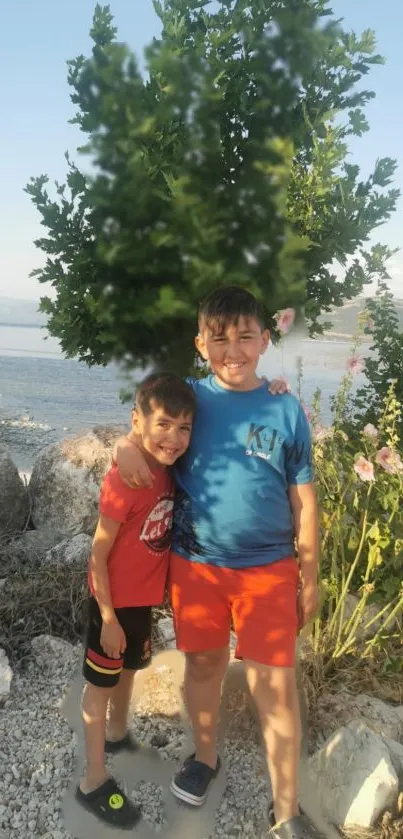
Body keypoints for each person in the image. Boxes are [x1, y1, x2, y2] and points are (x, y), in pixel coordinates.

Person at [116, 287, 319, 839]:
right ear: (200, 342)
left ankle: (287, 811)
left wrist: (312, 575)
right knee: (203, 666)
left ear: (264, 340)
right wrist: (125, 448)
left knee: (275, 686)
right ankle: (204, 755)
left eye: (245, 336)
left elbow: (304, 499)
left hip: (271, 572)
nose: (233, 349)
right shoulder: (191, 403)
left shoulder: (285, 408)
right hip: (197, 569)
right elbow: (146, 431)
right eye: (220, 337)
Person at [76, 372, 196, 829]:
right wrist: (106, 616)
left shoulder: (166, 470)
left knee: (127, 672)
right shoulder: (126, 479)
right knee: (100, 686)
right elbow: (98, 552)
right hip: (112, 606)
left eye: (184, 427)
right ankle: (92, 779)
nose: (174, 436)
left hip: (140, 604)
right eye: (163, 424)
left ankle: (117, 734)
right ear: (138, 421)